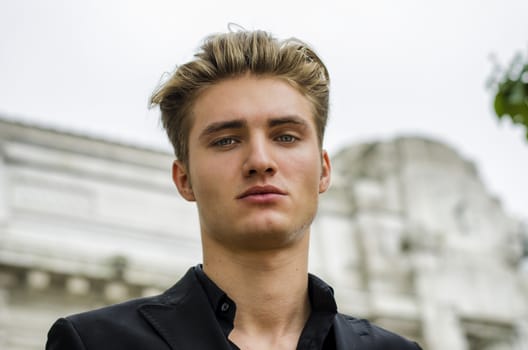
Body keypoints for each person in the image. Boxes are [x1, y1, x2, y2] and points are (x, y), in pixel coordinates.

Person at [46, 29, 422, 350]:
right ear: (184, 179)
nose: (260, 160)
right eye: (226, 141)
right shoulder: (94, 343)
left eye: (286, 136)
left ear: (323, 171)